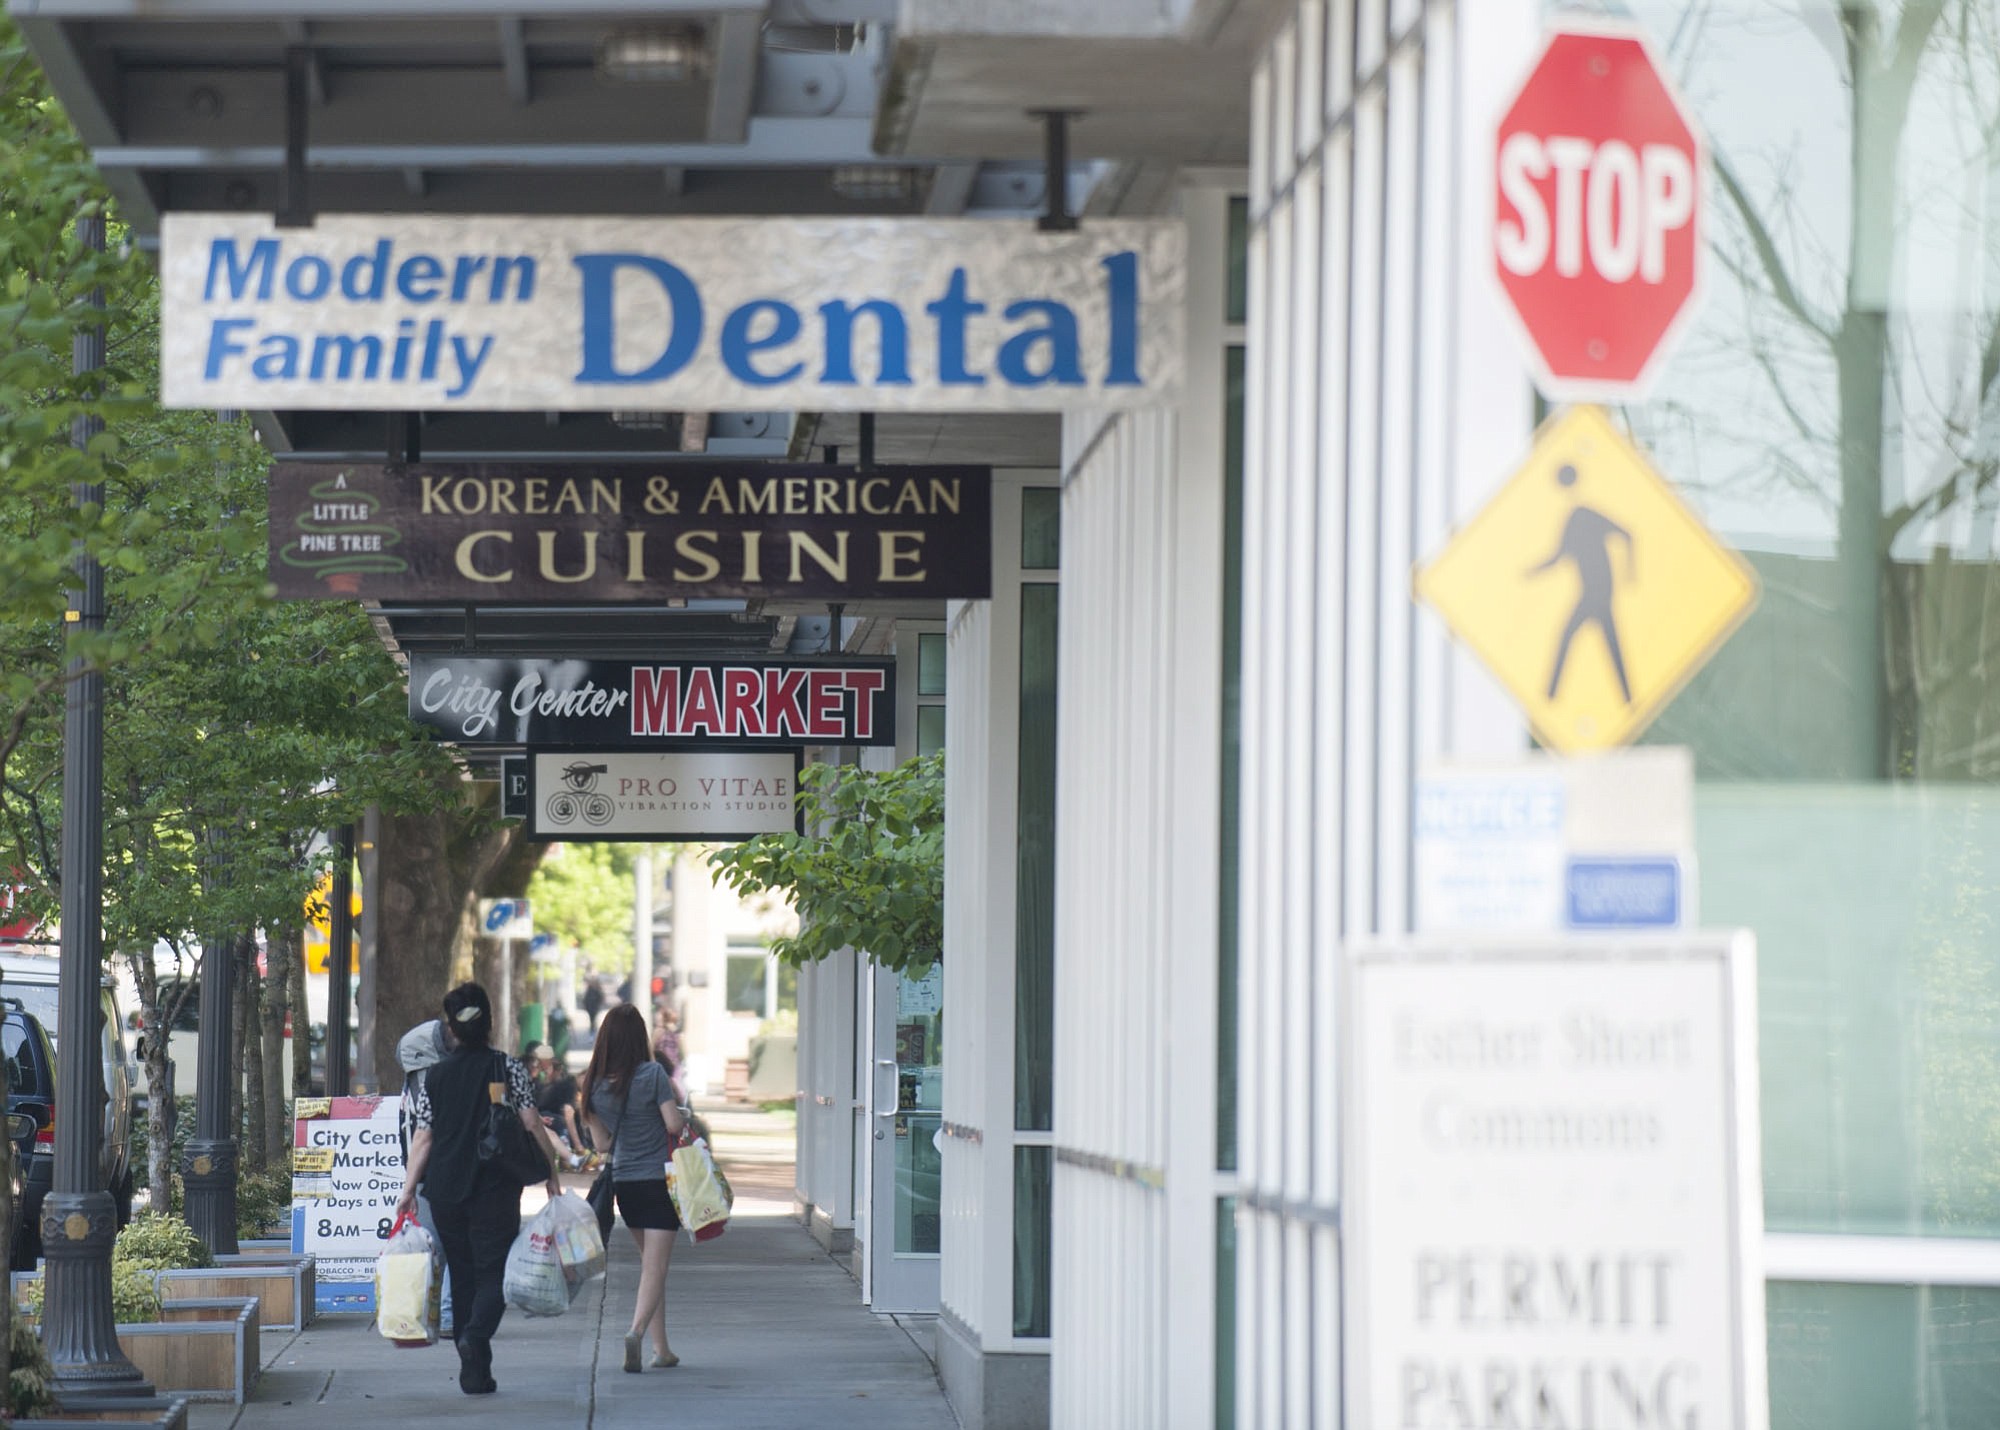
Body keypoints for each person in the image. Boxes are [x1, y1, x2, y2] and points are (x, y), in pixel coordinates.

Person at [394, 983, 566, 1396]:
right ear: (489, 1022)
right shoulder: (507, 1068)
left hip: (445, 1190)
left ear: (451, 1028)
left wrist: (408, 1188)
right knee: (495, 1275)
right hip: (494, 1189)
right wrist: (551, 1169)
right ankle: (474, 1336)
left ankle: (475, 1374)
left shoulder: (435, 1075)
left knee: (466, 1276)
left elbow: (424, 1137)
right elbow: (530, 1121)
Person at [583, 1003, 688, 1373]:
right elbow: (673, 1125)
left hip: (624, 1184)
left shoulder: (593, 1085)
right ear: (638, 1037)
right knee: (655, 1269)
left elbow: (603, 1145)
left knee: (651, 1267)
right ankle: (636, 1331)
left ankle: (662, 1349)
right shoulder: (652, 1074)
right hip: (658, 1182)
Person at [394, 1017, 453, 1338]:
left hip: (420, 1176)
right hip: (432, 1175)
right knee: (442, 1246)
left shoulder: (413, 1084)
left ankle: (430, 1312)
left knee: (432, 1246)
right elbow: (424, 1135)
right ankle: (445, 1315)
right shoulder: (429, 1083)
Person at [525, 1041, 589, 1166]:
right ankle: (574, 1154)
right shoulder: (532, 1080)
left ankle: (572, 1156)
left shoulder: (565, 1083)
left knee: (559, 1123)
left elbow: (567, 1111)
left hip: (548, 1119)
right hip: (537, 1117)